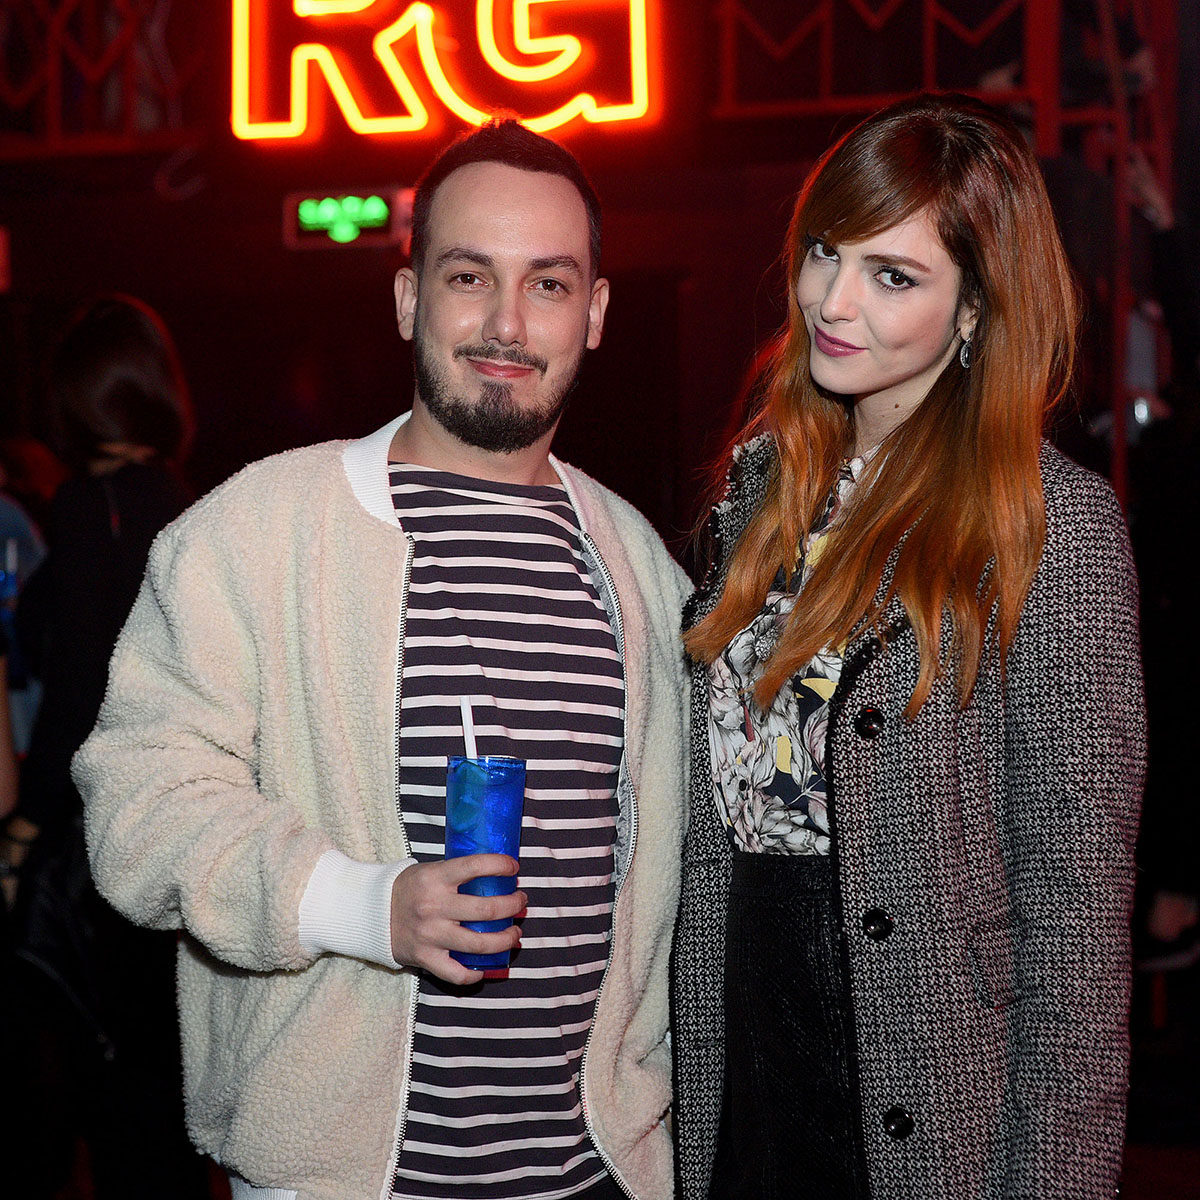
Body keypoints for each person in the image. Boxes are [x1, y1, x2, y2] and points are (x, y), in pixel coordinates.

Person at [73, 120, 690, 1200]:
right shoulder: (256, 532)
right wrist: (366, 906)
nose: (507, 323)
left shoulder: (642, 571)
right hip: (341, 1178)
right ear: (409, 299)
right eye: (469, 276)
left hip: (596, 1174)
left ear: (594, 315)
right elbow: (138, 806)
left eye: (548, 285)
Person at [672, 93, 1145, 1200]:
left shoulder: (1049, 527)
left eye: (893, 275)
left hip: (926, 1099)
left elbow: (1076, 929)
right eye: (825, 253)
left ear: (976, 308)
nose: (833, 302)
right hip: (742, 1072)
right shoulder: (758, 498)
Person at [1, 295, 203, 1197]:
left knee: (98, 1082)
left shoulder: (91, 509)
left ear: (73, 401)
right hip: (185, 827)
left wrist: (23, 831)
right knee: (164, 1083)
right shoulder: (188, 505)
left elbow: (82, 693)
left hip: (102, 838)